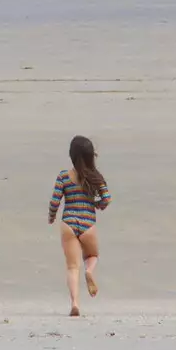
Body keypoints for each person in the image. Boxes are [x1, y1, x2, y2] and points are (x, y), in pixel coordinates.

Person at [47, 135, 111, 317]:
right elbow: (107, 199)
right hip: (88, 223)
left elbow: (55, 201)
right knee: (92, 255)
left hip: (68, 223)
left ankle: (75, 303)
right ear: (91, 155)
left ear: (72, 155)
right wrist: (97, 204)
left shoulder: (63, 177)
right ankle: (90, 271)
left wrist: (52, 217)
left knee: (72, 267)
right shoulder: (96, 177)